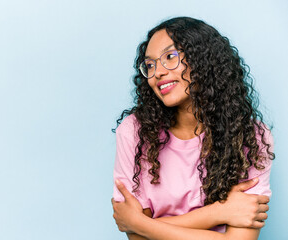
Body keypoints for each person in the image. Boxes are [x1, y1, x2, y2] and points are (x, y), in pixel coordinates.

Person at [111, 17, 274, 240]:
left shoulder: (251, 137)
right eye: (149, 65)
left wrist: (139, 223)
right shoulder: (135, 132)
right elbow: (136, 237)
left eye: (170, 57)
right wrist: (219, 212)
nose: (157, 72)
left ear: (203, 60)